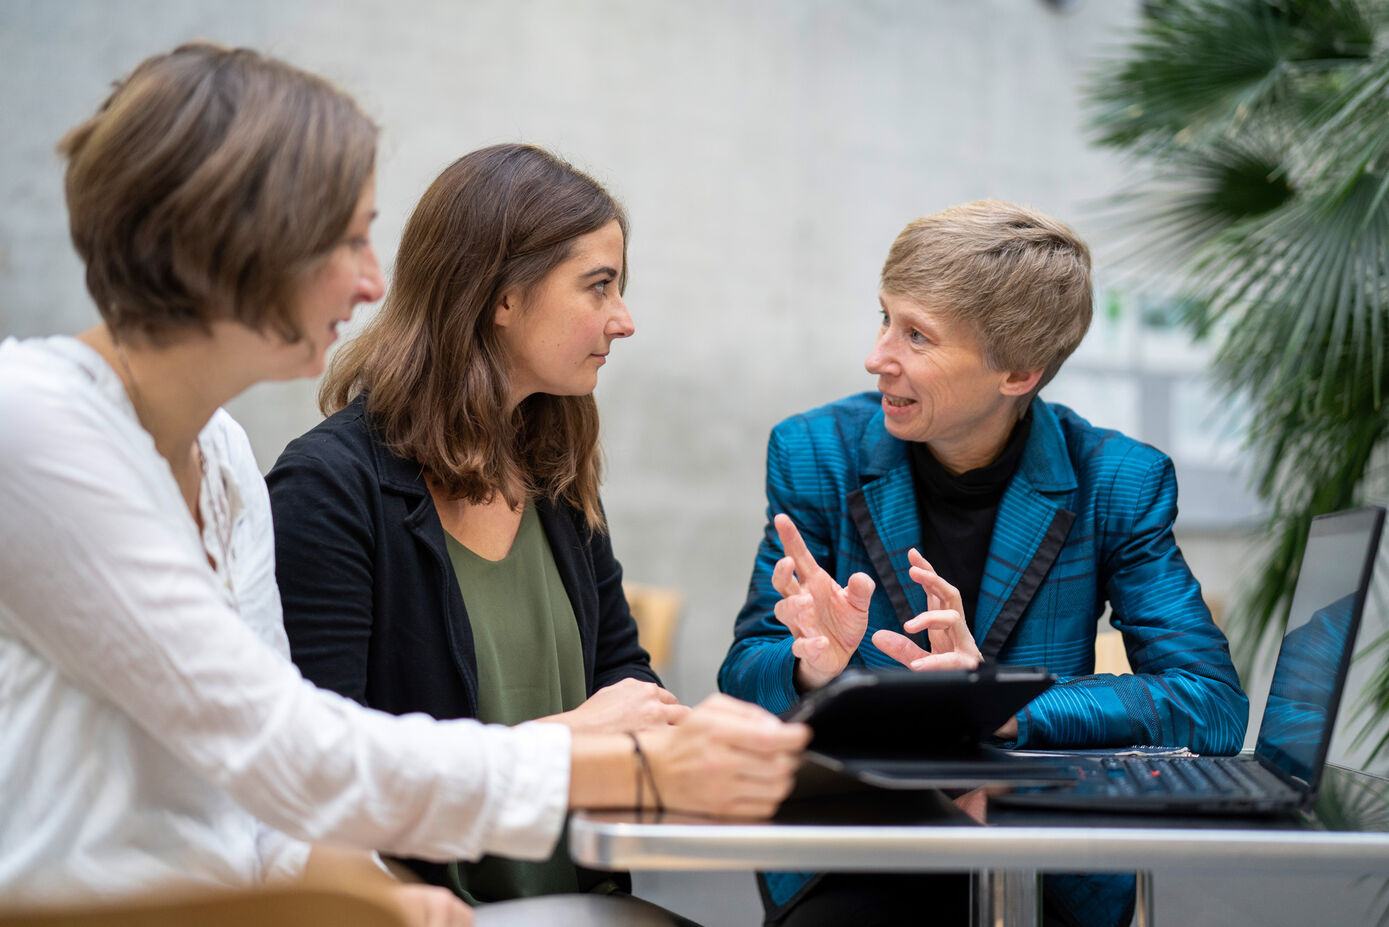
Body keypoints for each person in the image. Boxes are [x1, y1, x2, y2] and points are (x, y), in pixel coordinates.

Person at [0, 42, 808, 924]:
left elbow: (277, 799)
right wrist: (603, 761)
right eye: (346, 237)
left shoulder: (223, 454)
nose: (373, 278)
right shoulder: (33, 426)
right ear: (231, 238)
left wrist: (376, 895)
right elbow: (287, 747)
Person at [717, 201, 1249, 926]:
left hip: (1046, 859)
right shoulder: (816, 453)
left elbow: (1208, 702)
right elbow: (748, 668)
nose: (878, 357)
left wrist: (1005, 706)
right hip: (852, 849)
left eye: (916, 336)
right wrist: (817, 667)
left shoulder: (1116, 480)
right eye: (884, 319)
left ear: (1018, 372)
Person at [265, 143, 684, 904]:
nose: (622, 320)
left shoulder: (554, 466)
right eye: (598, 287)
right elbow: (316, 781)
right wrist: (564, 741)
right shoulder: (327, 488)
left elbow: (623, 683)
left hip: (580, 902)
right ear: (500, 296)